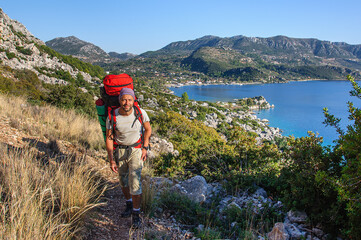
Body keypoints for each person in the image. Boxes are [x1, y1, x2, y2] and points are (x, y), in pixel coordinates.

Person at [105, 87, 152, 229]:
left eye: (129, 99)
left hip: (136, 150)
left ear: (133, 100)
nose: (126, 102)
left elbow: (148, 129)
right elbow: (108, 137)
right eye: (124, 99)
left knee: (135, 181)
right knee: (123, 180)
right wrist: (111, 159)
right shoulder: (112, 116)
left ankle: (136, 214)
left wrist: (145, 147)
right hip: (120, 151)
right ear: (119, 100)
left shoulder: (140, 112)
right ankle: (129, 204)